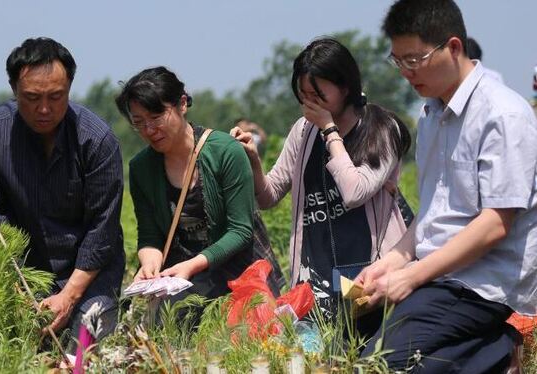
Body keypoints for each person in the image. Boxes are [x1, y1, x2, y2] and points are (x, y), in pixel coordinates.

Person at [357, 0, 537, 371]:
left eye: (415, 60)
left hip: (480, 283)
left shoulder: (502, 114)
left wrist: (412, 277)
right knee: (349, 342)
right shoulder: (431, 116)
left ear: (453, 47)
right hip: (441, 275)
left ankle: (496, 347)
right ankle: (491, 356)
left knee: (379, 364)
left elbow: (495, 224)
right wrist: (391, 261)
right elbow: (433, 212)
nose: (406, 72)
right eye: (398, 61)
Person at [231, 38, 412, 335]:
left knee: (369, 355)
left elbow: (355, 192)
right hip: (316, 280)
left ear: (345, 86)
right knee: (318, 360)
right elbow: (269, 195)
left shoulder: (381, 128)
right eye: (303, 95)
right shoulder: (302, 132)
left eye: (318, 93)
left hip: (372, 276)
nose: (309, 103)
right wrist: (252, 160)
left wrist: (329, 130)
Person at [0, 38, 125, 345]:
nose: (44, 109)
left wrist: (68, 295)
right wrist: (17, 285)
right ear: (14, 89)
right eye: (31, 97)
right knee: (15, 345)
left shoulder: (97, 140)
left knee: (85, 339)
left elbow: (102, 228)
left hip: (89, 272)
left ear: (69, 88)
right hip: (26, 270)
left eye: (56, 96)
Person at [116, 66, 284, 307]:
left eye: (156, 117)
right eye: (139, 122)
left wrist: (192, 265)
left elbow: (240, 231)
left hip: (239, 274)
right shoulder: (141, 168)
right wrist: (149, 264)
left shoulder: (225, 152)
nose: (149, 130)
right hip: (183, 278)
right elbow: (150, 236)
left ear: (182, 104)